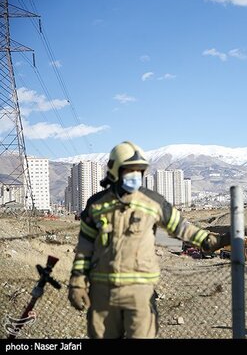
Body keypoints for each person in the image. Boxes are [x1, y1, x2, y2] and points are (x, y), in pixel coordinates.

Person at [67, 141, 230, 338]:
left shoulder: (153, 202)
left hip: (140, 292)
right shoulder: (96, 205)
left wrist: (210, 241)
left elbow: (180, 227)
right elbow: (85, 246)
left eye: (139, 170)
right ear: (116, 171)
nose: (135, 175)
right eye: (130, 170)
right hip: (102, 292)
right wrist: (77, 283)